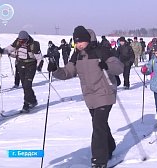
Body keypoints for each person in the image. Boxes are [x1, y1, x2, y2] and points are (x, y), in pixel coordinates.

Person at [47, 26, 123, 168]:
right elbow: (67, 72)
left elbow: (119, 68)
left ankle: (99, 161)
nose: (78, 44)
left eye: (81, 41)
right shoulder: (77, 55)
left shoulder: (102, 50)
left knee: (98, 126)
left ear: (88, 40)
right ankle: (110, 146)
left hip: (105, 93)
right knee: (100, 124)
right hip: (90, 96)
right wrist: (55, 70)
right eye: (76, 42)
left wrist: (106, 65)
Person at [0, 31, 43, 112]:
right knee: (25, 86)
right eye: (20, 41)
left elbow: (39, 58)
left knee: (27, 85)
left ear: (27, 39)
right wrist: (2, 50)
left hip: (31, 65)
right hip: (20, 65)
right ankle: (33, 100)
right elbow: (9, 49)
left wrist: (39, 66)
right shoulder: (17, 42)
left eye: (23, 41)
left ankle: (26, 105)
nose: (22, 43)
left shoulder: (34, 45)